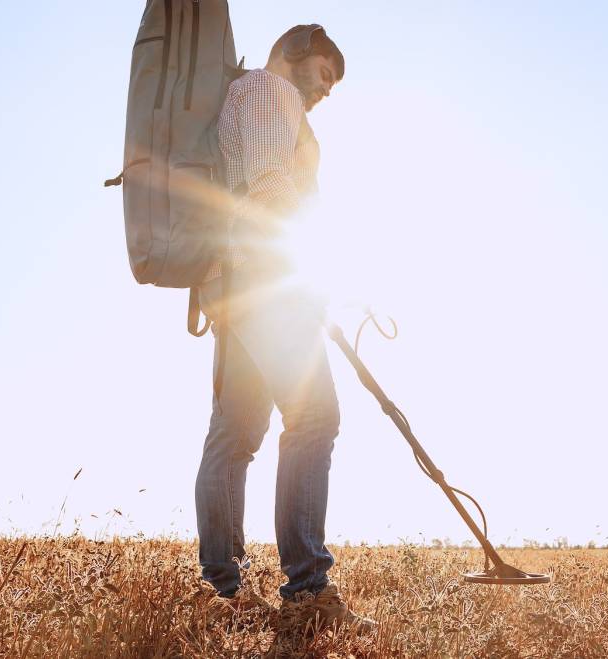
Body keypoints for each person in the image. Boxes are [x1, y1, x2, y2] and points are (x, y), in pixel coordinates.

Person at [193, 24, 375, 635]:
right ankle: (307, 589)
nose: (325, 90)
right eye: (322, 73)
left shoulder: (240, 94)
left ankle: (220, 592)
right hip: (267, 279)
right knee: (315, 417)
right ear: (295, 55)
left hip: (232, 284)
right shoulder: (273, 91)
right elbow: (269, 183)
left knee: (237, 434)